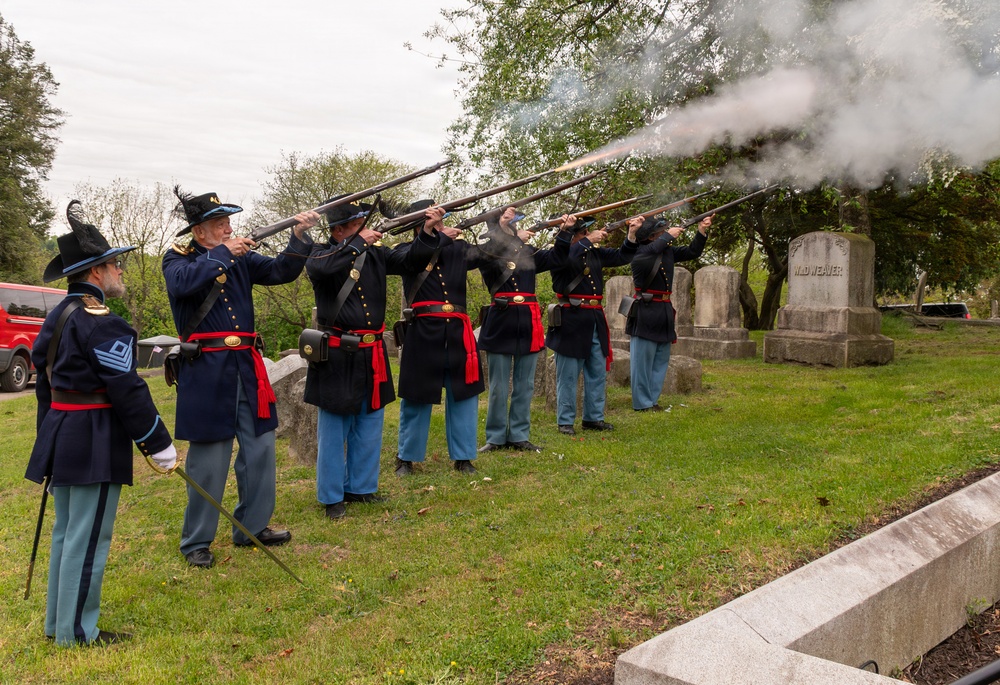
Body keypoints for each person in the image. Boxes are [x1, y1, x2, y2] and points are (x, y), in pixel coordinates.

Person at [26, 201, 176, 646]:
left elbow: (43, 386)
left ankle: (59, 624)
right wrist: (158, 444)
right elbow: (127, 390)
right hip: (92, 437)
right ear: (96, 272)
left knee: (67, 534)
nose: (121, 272)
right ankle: (77, 632)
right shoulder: (104, 323)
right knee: (88, 537)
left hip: (62, 433)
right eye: (116, 265)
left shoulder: (57, 315)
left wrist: (46, 442)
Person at [162, 188, 317, 568]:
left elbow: (282, 271)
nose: (229, 228)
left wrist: (298, 237)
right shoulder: (177, 259)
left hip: (247, 367)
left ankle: (252, 526)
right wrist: (222, 255)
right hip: (206, 369)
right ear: (200, 233)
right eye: (220, 224)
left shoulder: (241, 259)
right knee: (209, 461)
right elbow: (182, 285)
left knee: (260, 450)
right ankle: (197, 540)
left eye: (228, 222)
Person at [304, 198, 436, 519]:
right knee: (335, 428)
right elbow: (321, 268)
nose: (365, 227)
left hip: (372, 350)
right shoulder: (321, 253)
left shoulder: (376, 255)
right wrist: (356, 244)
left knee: (369, 422)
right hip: (337, 351)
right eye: (357, 223)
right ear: (338, 229)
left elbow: (412, 261)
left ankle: (361, 488)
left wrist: (428, 232)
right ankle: (332, 496)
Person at [393, 201, 489, 475]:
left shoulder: (457, 248)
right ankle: (406, 457)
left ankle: (464, 456)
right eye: (434, 219)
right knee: (416, 397)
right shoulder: (405, 250)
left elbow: (489, 255)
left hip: (458, 331)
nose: (442, 223)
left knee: (464, 394)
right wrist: (430, 233)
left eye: (441, 219)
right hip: (423, 331)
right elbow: (413, 258)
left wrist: (497, 225)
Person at [476, 207, 573, 453]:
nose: (516, 224)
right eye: (508, 221)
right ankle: (496, 436)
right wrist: (516, 240)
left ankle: (519, 434)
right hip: (501, 319)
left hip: (527, 320)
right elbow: (495, 259)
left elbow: (557, 259)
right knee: (499, 386)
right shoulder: (489, 249)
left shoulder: (527, 250)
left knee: (525, 384)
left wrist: (564, 233)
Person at [546, 215, 639, 435]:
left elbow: (622, 256)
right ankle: (565, 421)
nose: (588, 235)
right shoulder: (560, 254)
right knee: (568, 375)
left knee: (597, 371)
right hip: (572, 318)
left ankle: (593, 417)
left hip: (594, 318)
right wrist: (588, 241)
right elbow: (568, 261)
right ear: (571, 235)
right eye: (583, 233)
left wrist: (632, 234)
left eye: (587, 233)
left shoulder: (593, 252)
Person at [627, 214, 712, 411]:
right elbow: (651, 250)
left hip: (663, 310)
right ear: (651, 237)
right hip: (645, 311)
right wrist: (669, 236)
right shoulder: (639, 253)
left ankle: (652, 400)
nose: (665, 234)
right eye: (661, 232)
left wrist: (701, 230)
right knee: (642, 363)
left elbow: (693, 252)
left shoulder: (665, 250)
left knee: (660, 359)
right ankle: (641, 403)